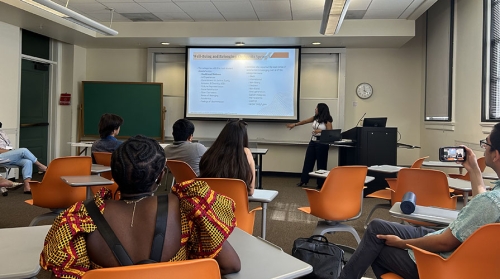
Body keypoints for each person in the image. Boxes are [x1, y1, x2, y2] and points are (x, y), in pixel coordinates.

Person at [40, 135, 241, 278]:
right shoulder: (187, 207)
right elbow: (230, 265)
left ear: (114, 174)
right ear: (161, 176)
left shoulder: (80, 220)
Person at [339, 123, 500, 279]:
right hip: (459, 247)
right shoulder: (491, 201)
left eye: (486, 143)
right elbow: (484, 205)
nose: (484, 147)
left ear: (496, 155)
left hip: (445, 263)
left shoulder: (490, 202)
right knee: (376, 227)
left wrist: (402, 243)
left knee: (376, 245)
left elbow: (444, 244)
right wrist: (473, 169)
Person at [199, 119, 255, 196]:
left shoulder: (210, 153)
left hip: (210, 205)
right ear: (243, 137)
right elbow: (250, 191)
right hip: (236, 206)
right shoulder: (246, 153)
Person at [286, 103, 333, 188]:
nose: (315, 109)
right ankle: (304, 180)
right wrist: (295, 125)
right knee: (308, 160)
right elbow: (305, 121)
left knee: (321, 163)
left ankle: (321, 183)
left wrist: (321, 131)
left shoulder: (327, 120)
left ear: (321, 110)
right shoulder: (315, 118)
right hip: (313, 141)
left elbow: (330, 132)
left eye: (316, 108)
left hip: (322, 143)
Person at [0, 122, 48, 194]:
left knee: (27, 161)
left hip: (7, 156)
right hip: (1, 156)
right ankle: (40, 166)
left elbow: (9, 146)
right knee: (23, 150)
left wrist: (11, 152)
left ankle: (27, 187)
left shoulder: (2, 133)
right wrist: (11, 152)